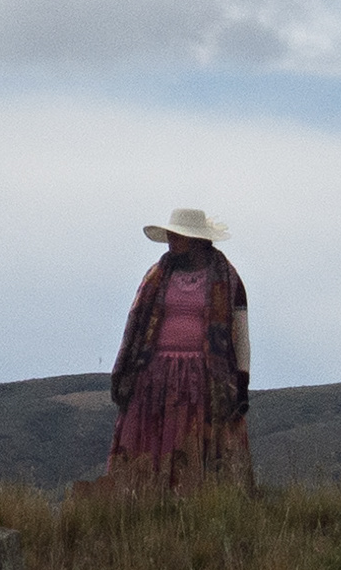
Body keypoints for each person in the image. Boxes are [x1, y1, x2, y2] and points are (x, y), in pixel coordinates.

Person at [103, 207, 253, 490]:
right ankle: (146, 500)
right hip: (155, 375)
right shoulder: (156, 277)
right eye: (171, 236)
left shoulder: (228, 279)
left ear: (197, 240)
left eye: (178, 236)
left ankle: (195, 502)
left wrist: (242, 380)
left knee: (196, 443)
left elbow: (241, 334)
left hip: (206, 378)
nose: (172, 241)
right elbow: (135, 323)